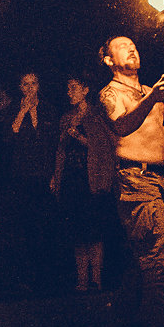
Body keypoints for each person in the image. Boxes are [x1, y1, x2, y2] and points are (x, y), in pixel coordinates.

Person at [96, 36, 164, 327]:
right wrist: (151, 101)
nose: (132, 48)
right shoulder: (110, 94)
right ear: (108, 59)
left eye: (134, 45)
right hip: (136, 180)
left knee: (144, 258)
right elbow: (122, 126)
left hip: (161, 180)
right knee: (163, 250)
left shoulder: (151, 92)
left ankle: (121, 322)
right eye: (122, 46)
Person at [51, 75, 110, 293]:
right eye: (68, 88)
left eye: (74, 88)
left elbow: (103, 149)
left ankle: (97, 279)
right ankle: (82, 279)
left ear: (85, 90)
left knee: (93, 231)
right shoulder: (67, 117)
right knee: (77, 231)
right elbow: (60, 150)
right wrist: (55, 177)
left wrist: (79, 137)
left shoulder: (97, 116)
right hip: (71, 179)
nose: (69, 93)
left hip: (91, 180)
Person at [4, 71, 57, 293]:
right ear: (19, 87)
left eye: (33, 83)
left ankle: (43, 277)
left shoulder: (49, 109)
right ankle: (23, 277)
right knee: (23, 227)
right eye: (25, 84)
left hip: (43, 175)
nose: (29, 88)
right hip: (21, 176)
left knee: (42, 225)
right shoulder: (13, 110)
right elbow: (9, 137)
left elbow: (53, 142)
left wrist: (54, 173)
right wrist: (23, 111)